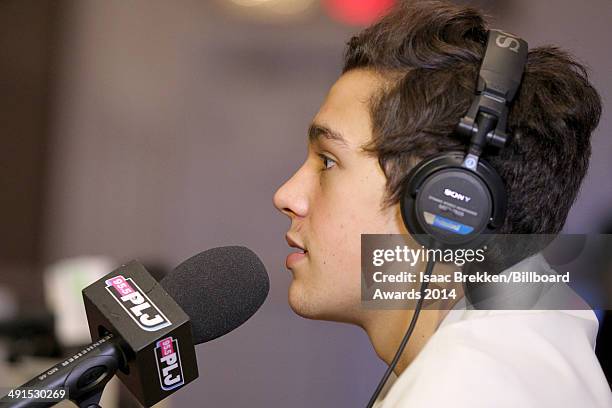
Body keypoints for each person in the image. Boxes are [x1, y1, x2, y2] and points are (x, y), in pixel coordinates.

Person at [273, 1, 611, 406]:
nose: (286, 196)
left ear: (448, 203)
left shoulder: (464, 388)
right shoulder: (534, 345)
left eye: (328, 160)